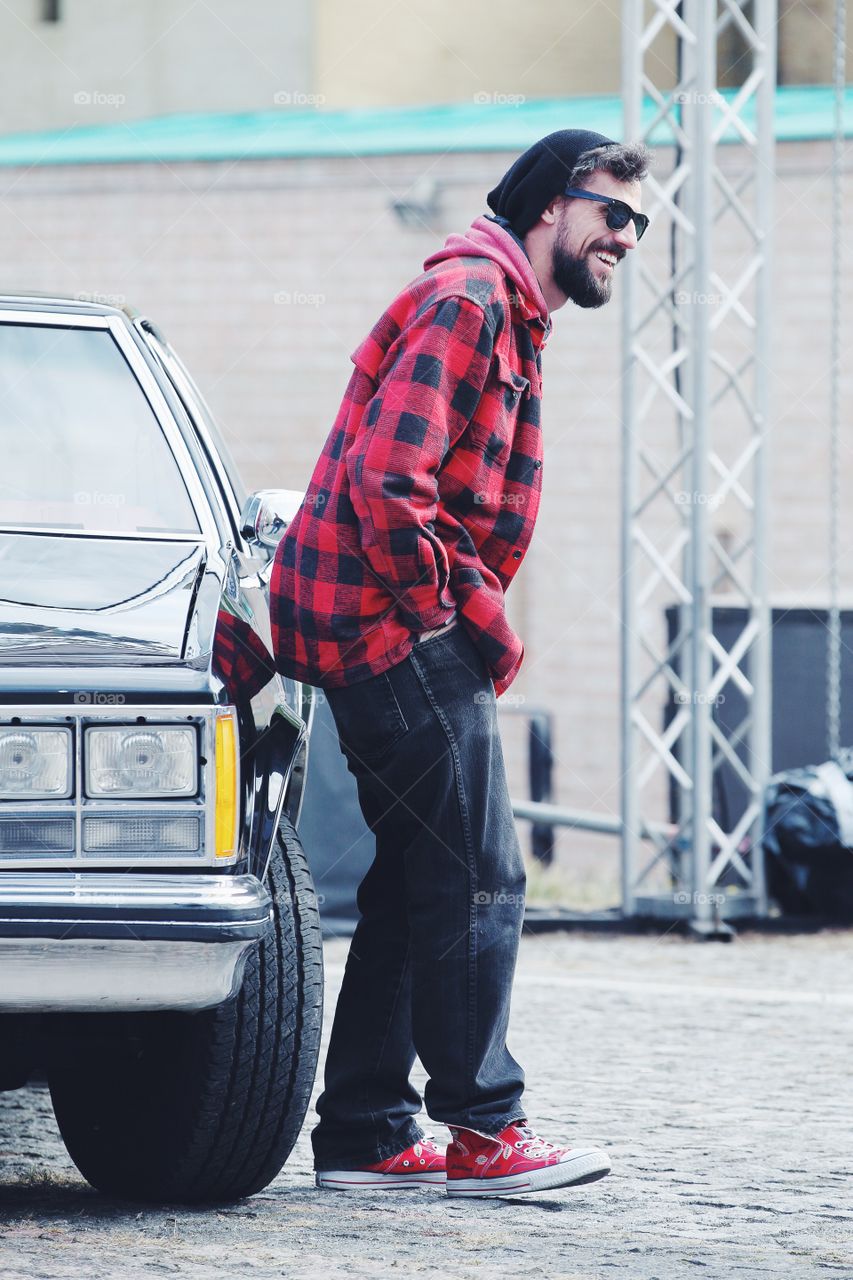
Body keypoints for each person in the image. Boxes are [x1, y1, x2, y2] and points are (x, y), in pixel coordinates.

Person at [270, 128, 651, 1198]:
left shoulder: (500, 305)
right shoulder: (471, 299)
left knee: (414, 881)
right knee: (481, 874)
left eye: (638, 222)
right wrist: (466, 615)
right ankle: (486, 1129)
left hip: (379, 624)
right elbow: (391, 483)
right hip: (395, 630)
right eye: (609, 213)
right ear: (549, 204)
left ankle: (365, 1130)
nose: (624, 236)